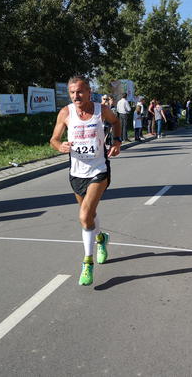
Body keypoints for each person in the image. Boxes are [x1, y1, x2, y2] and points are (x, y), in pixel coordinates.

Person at [49, 76, 121, 286]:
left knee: (83, 216)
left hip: (99, 170)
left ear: (89, 92)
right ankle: (101, 239)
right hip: (76, 173)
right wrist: (59, 146)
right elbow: (53, 139)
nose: (76, 96)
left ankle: (87, 263)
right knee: (90, 215)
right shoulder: (66, 113)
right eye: (72, 92)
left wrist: (117, 141)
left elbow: (116, 122)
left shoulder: (101, 110)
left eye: (80, 92)